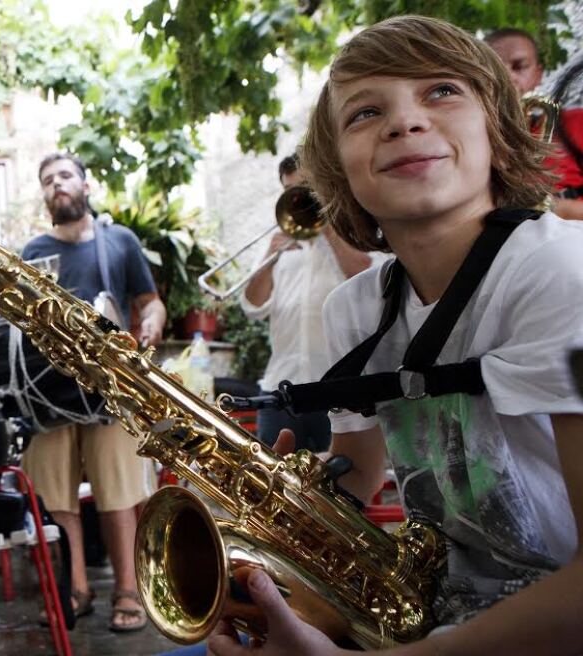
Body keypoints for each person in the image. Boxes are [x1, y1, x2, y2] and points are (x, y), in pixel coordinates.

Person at [207, 16, 583, 656]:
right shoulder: (356, 306)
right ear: (337, 169)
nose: (404, 122)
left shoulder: (558, 271)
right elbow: (360, 477)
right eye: (363, 114)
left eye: (441, 91)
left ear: (498, 125)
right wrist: (287, 516)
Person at [19, 152, 167, 633]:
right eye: (47, 180)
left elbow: (151, 303)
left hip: (111, 391)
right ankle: (76, 588)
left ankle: (128, 589)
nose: (56, 185)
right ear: (44, 195)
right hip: (50, 394)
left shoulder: (118, 241)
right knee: (55, 495)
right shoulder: (32, 252)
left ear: (86, 185)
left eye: (64, 176)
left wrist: (151, 325)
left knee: (119, 493)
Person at [240, 153, 376, 452]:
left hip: (338, 393)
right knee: (272, 485)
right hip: (281, 390)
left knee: (341, 489)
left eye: (304, 187)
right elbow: (252, 306)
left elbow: (369, 277)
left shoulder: (352, 233)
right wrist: (268, 258)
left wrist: (327, 227)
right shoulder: (278, 243)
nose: (297, 197)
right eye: (289, 190)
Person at [485, 28, 583, 220]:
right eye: (493, 67)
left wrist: (552, 208)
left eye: (519, 66)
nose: (507, 76)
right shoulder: (467, 137)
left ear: (538, 74)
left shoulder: (576, 123)